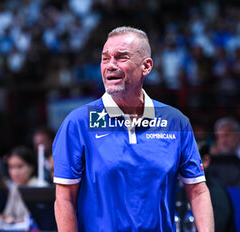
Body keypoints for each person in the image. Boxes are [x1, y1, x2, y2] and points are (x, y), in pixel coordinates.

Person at [53, 26, 214, 231]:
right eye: (105, 58)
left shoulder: (176, 122)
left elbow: (198, 190)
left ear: (146, 66)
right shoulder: (78, 123)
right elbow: (64, 199)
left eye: (121, 57)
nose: (110, 65)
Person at [0, 146, 48, 223]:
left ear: (31, 167)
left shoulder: (39, 186)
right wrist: (1, 218)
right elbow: (8, 214)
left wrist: (14, 220)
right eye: (11, 167)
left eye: (20, 166)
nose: (15, 172)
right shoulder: (14, 187)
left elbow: (35, 219)